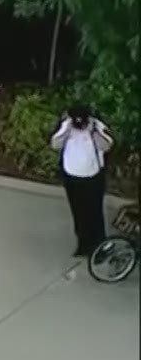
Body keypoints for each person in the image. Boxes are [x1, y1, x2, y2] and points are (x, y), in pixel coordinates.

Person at [54, 103, 115, 256]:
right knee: (78, 212)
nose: (79, 123)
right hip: (72, 176)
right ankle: (83, 244)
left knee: (94, 213)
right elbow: (55, 144)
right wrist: (67, 130)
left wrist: (94, 131)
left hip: (93, 176)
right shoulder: (66, 126)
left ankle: (99, 246)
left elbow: (107, 146)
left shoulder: (97, 125)